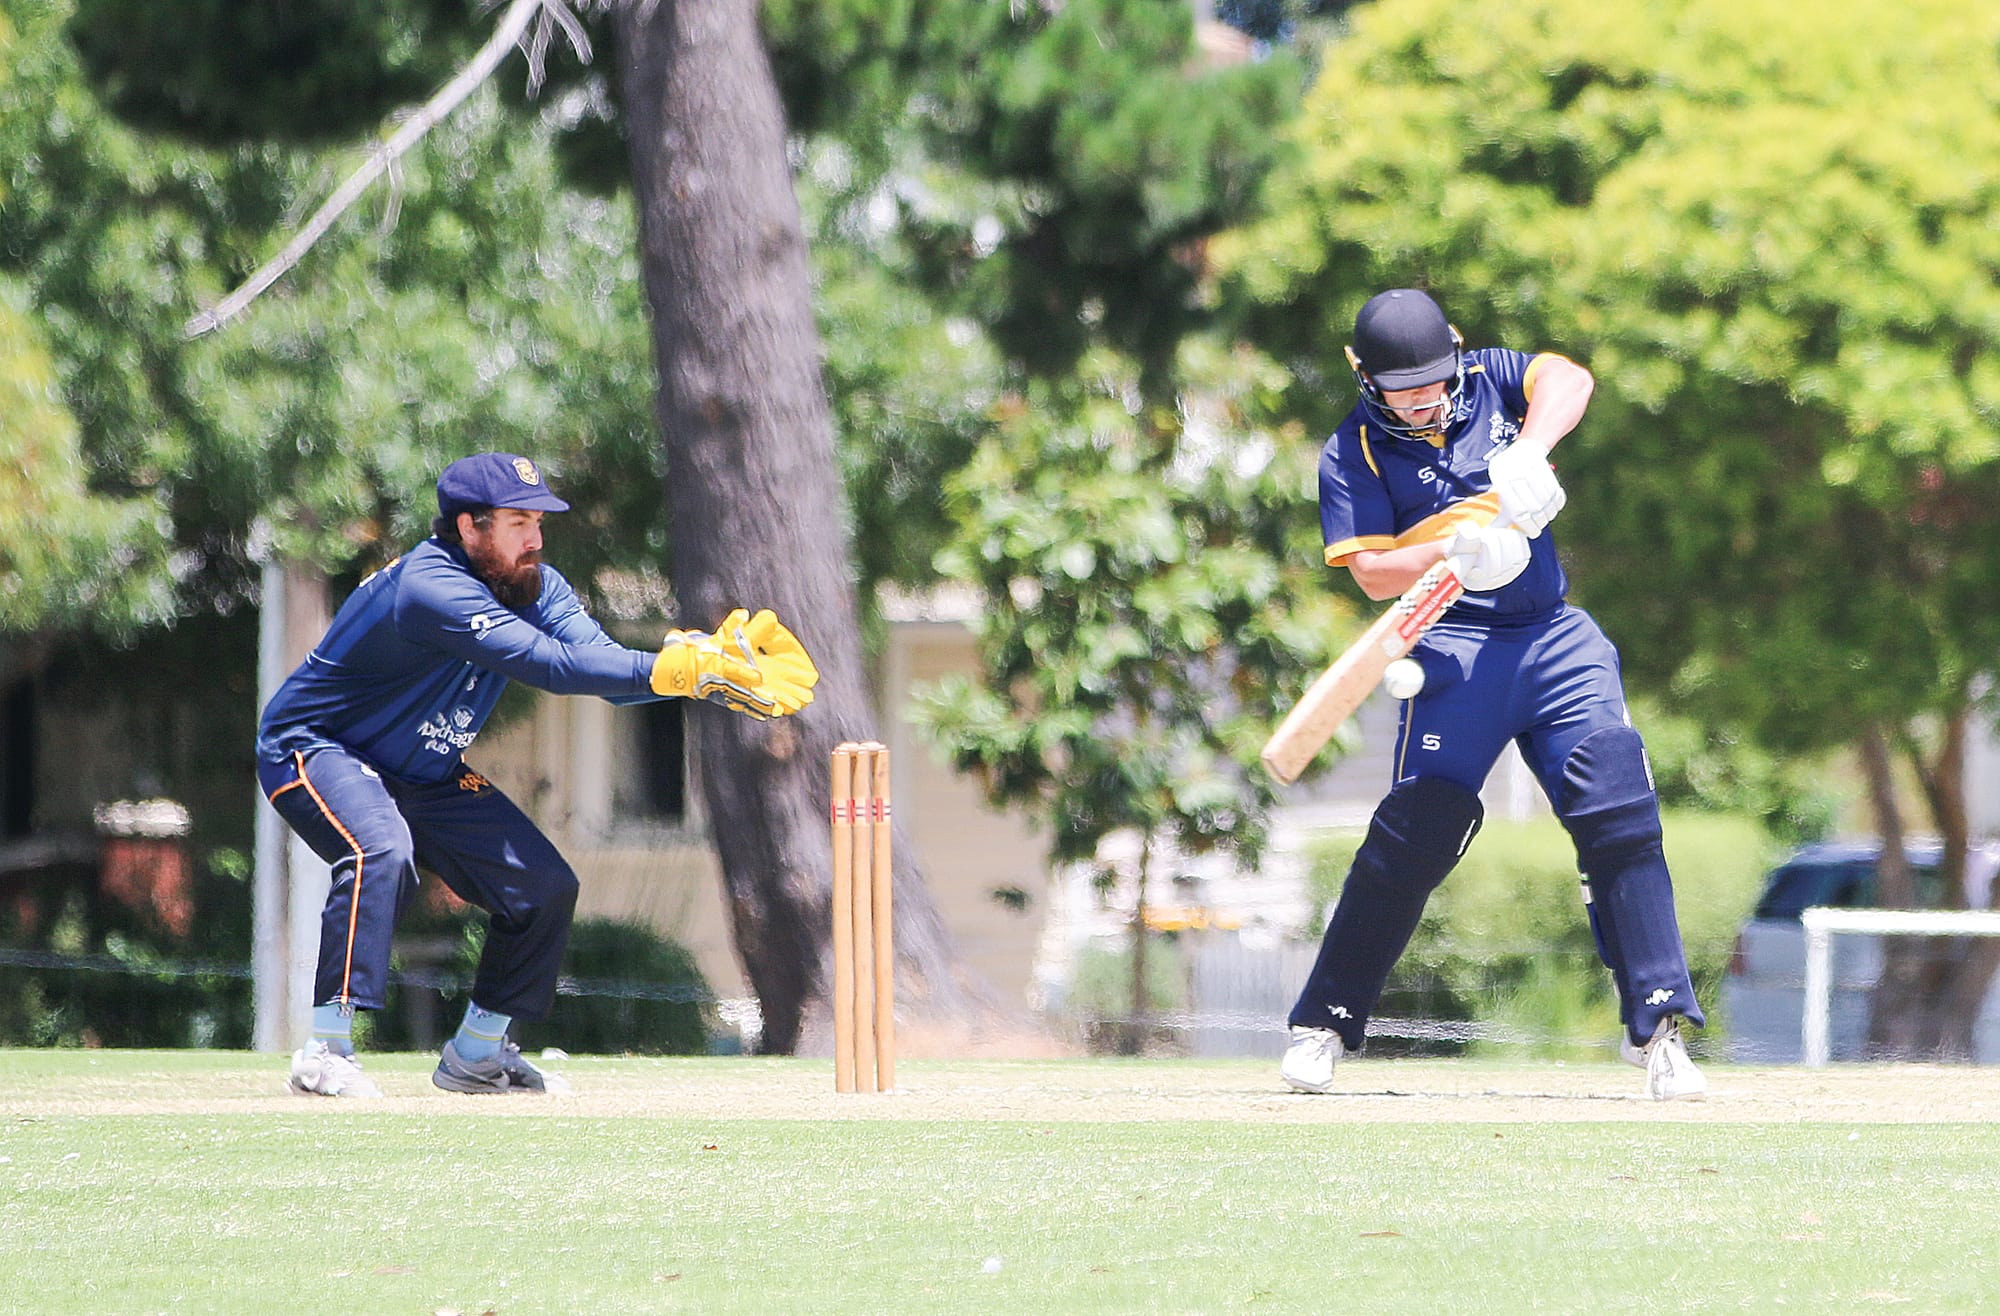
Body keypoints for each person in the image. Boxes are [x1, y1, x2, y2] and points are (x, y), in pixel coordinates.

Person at [258, 452, 818, 1097]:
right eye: (518, 522)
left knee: (543, 887)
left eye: (539, 522)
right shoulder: (429, 586)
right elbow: (544, 663)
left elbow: (599, 663)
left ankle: (477, 1056)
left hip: (422, 768)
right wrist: (682, 673)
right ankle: (326, 1050)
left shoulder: (536, 586)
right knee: (379, 849)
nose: (535, 538)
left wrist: (698, 669)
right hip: (318, 748)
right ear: (468, 527)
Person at [1280, 289, 1706, 1101]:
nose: (1424, 401)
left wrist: (1530, 452)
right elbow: (1371, 572)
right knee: (1418, 831)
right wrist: (1458, 547)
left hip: (1552, 634)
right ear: (1363, 377)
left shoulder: (1489, 377)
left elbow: (1570, 379)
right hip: (1454, 646)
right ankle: (1324, 1024)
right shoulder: (1352, 451)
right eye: (1403, 390)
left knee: (1617, 802)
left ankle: (1657, 1030)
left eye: (1433, 382)